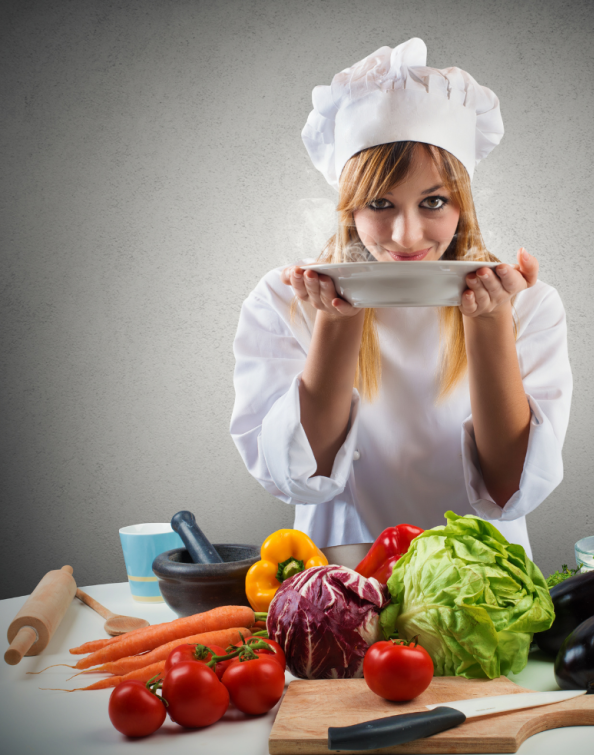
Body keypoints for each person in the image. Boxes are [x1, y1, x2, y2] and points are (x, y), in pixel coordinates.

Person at [230, 38, 572, 558]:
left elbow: (511, 492)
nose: (407, 235)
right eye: (380, 204)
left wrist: (489, 323)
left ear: (463, 203)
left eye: (433, 201)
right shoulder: (286, 300)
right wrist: (337, 321)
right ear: (349, 208)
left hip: (479, 589)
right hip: (343, 580)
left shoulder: (526, 304)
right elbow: (299, 479)